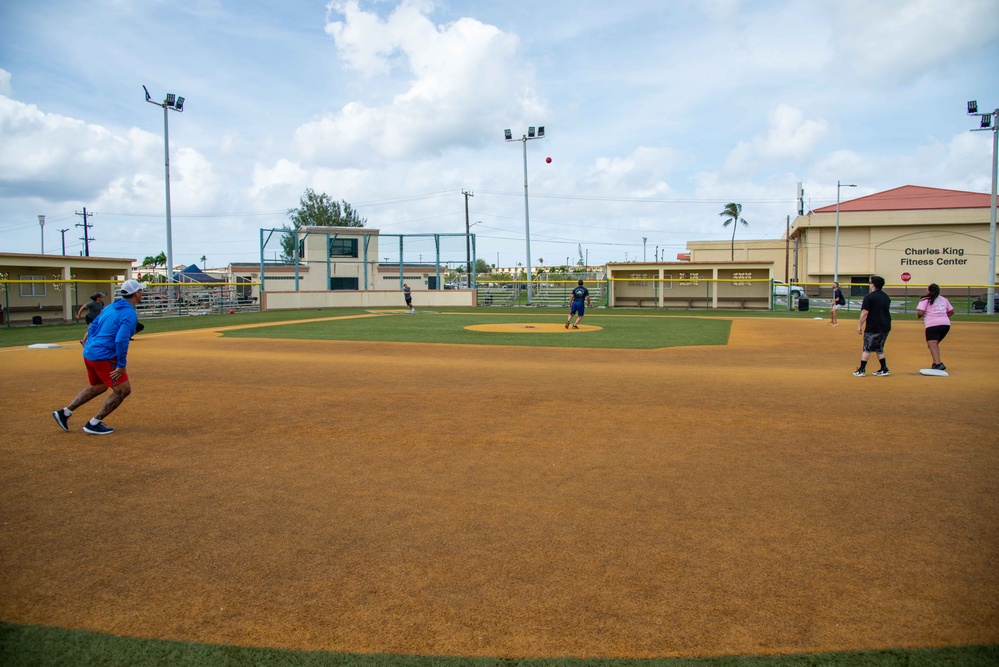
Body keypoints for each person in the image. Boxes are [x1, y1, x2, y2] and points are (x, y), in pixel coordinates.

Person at [52, 280, 145, 435]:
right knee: (123, 390)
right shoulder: (129, 314)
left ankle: (65, 412)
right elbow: (121, 340)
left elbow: (94, 324)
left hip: (90, 352)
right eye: (141, 291)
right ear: (136, 294)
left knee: (100, 386)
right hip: (104, 356)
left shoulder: (111, 307)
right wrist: (121, 364)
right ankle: (94, 423)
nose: (142, 293)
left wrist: (89, 340)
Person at [854, 275, 891, 377]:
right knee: (879, 348)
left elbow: (865, 313)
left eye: (870, 283)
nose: (870, 285)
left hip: (873, 326)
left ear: (873, 285)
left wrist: (859, 325)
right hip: (885, 325)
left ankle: (861, 370)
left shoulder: (869, 297)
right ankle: (884, 368)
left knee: (867, 348)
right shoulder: (886, 297)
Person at [916, 283, 954, 371]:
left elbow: (921, 313)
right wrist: (943, 318)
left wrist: (918, 316)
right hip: (945, 325)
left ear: (929, 291)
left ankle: (938, 364)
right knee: (934, 345)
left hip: (932, 325)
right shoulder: (944, 299)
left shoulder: (925, 300)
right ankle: (935, 363)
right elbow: (951, 311)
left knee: (932, 344)